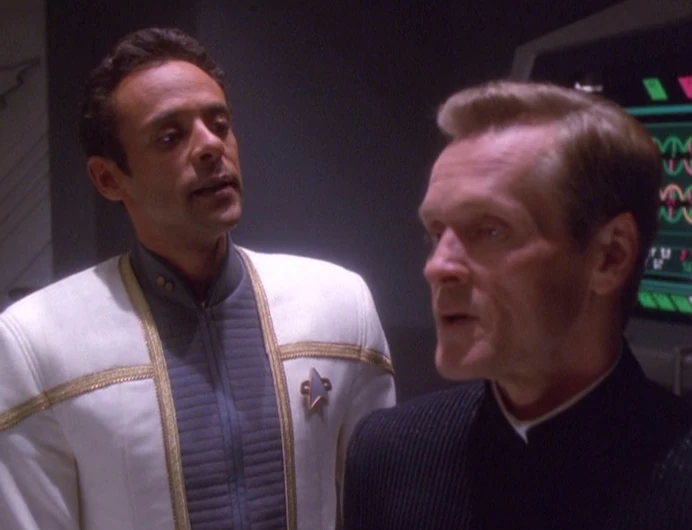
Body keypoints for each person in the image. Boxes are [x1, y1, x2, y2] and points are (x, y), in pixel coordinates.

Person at [0, 27, 395, 530]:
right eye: (170, 136)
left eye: (220, 124)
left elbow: (382, 508)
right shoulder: (37, 340)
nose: (211, 146)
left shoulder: (338, 306)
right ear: (108, 178)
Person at [343, 80, 692, 529]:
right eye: (436, 232)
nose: (437, 266)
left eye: (490, 230)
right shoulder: (387, 456)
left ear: (610, 256)